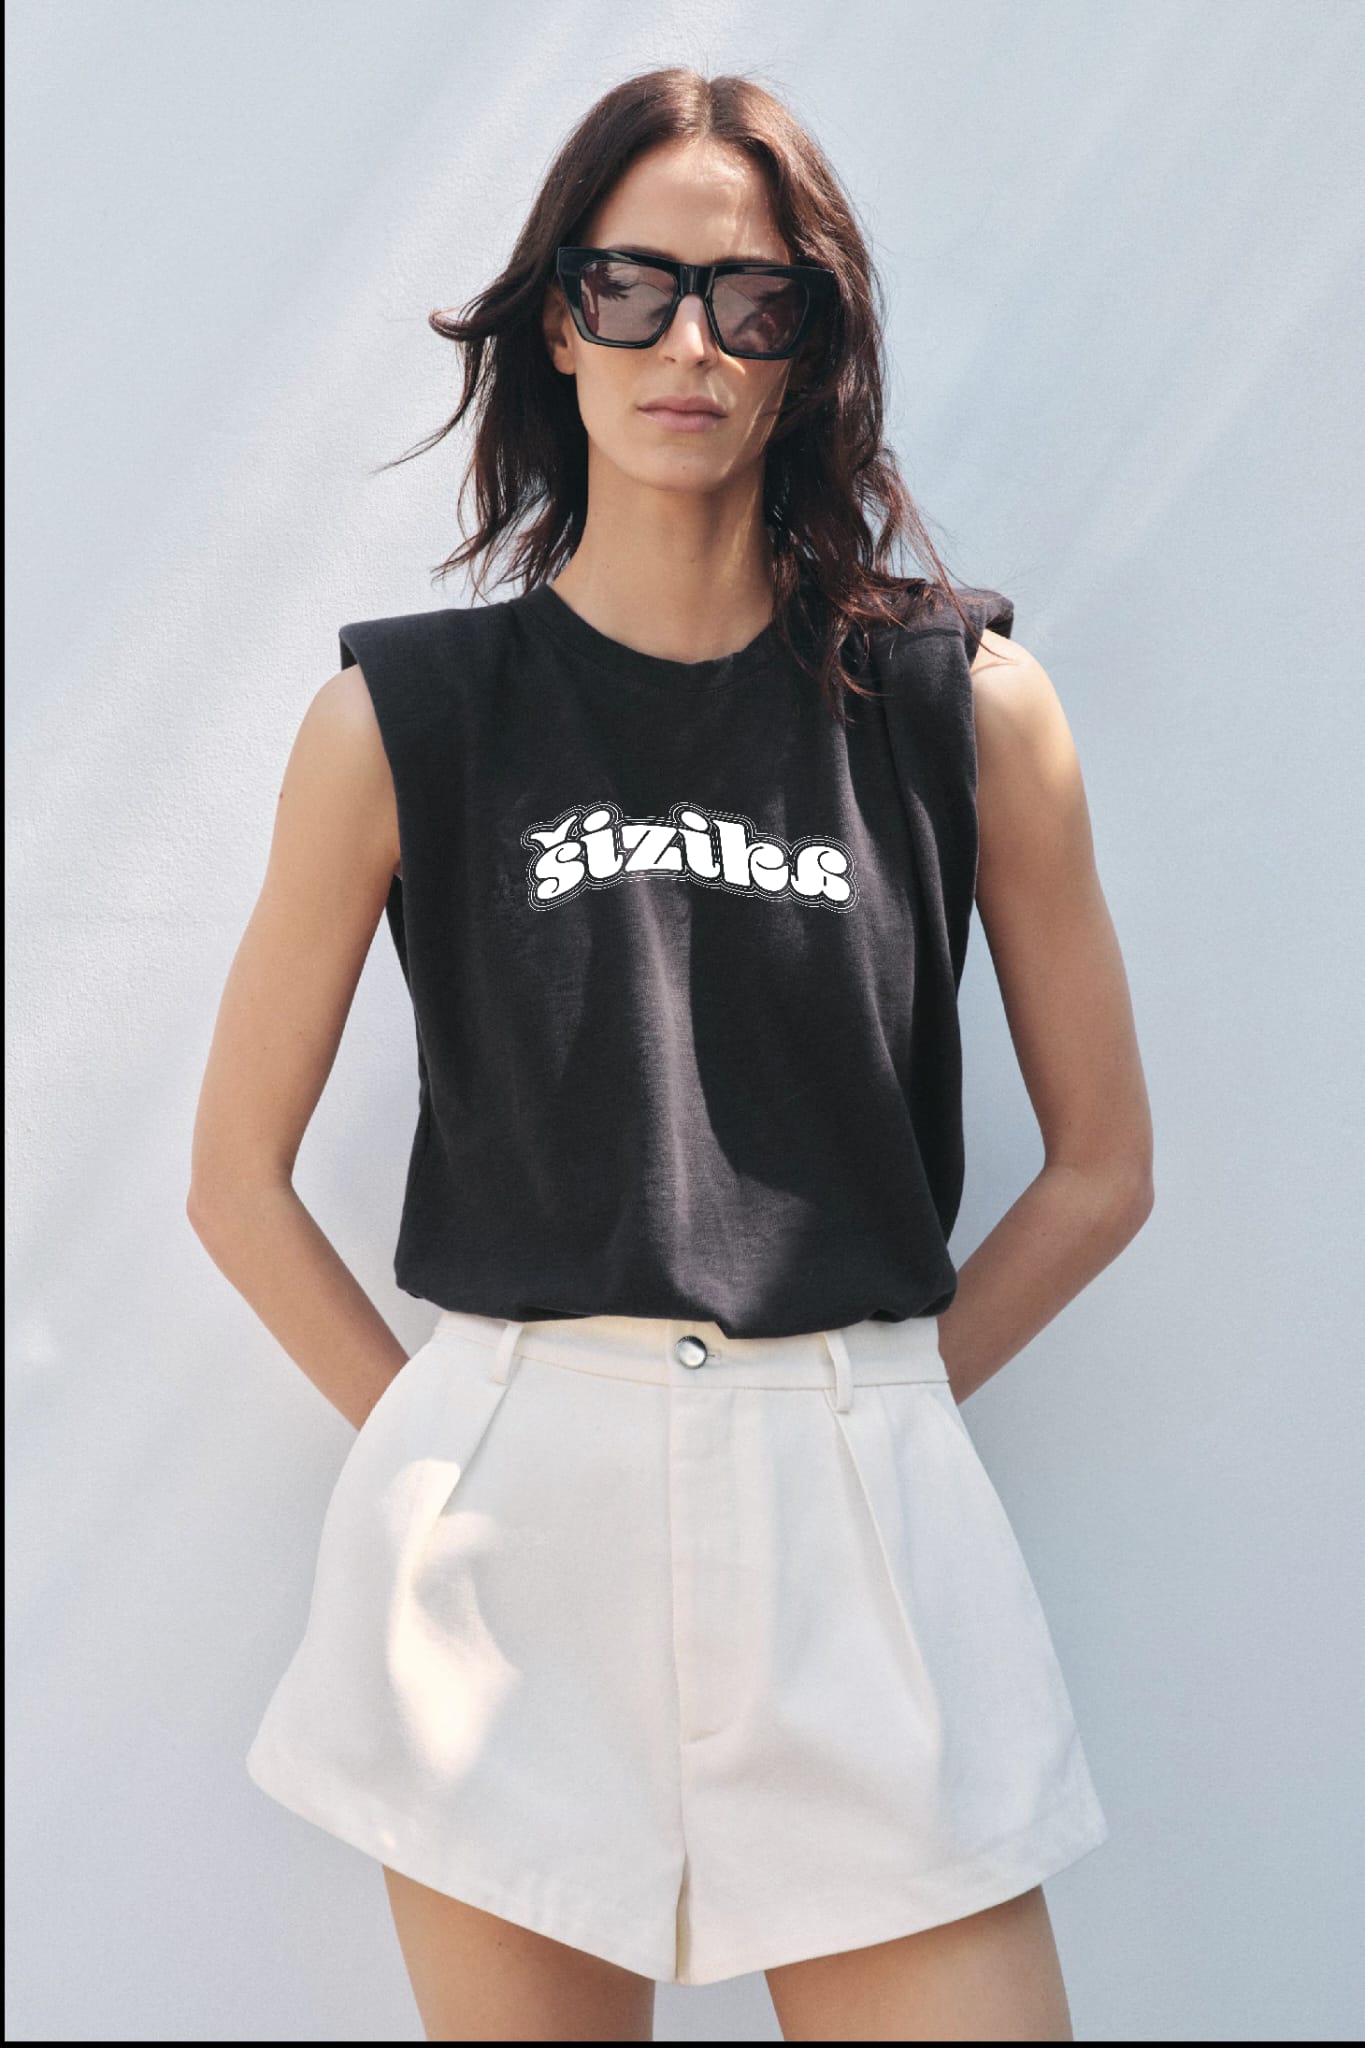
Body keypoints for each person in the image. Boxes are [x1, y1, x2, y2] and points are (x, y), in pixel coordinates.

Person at [189, 65, 1153, 2045]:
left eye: (751, 298)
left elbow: (1100, 1171)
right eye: (628, 288)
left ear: (812, 348)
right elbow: (232, 1183)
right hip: (506, 1559)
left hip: (856, 1534)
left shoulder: (964, 710)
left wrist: (871, 1410)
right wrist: (445, 1451)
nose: (686, 345)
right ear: (555, 324)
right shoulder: (402, 721)